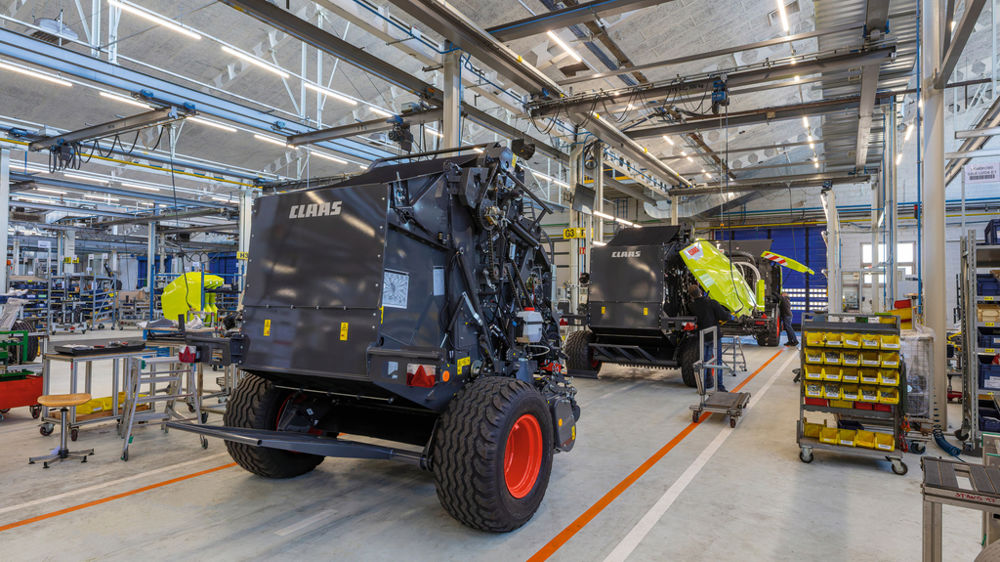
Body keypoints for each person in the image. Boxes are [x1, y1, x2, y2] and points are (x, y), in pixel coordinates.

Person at [687, 283, 733, 392]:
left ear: (691, 295)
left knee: (705, 360)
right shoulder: (711, 303)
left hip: (703, 336)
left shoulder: (691, 306)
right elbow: (723, 316)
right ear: (701, 292)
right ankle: (720, 386)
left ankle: (707, 383)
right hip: (714, 336)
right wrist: (730, 315)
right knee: (718, 361)